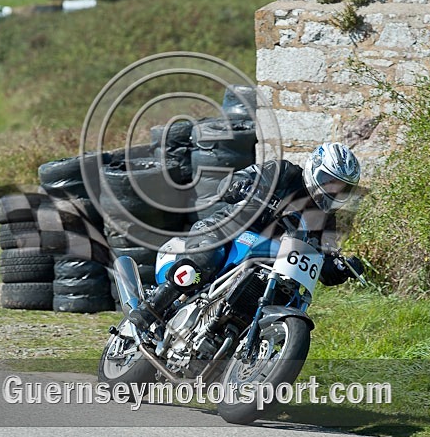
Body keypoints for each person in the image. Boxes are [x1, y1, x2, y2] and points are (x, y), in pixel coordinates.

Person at [126, 141, 365, 334]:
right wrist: (242, 186)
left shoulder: (325, 219)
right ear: (314, 169)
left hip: (269, 264)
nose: (333, 191)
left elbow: (322, 259)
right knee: (200, 264)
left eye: (342, 188)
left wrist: (339, 268)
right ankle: (149, 311)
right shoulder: (282, 173)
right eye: (329, 182)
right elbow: (229, 183)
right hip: (226, 231)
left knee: (288, 295)